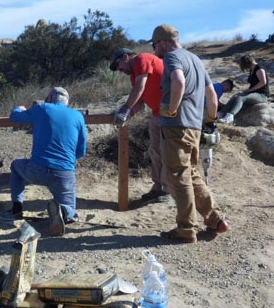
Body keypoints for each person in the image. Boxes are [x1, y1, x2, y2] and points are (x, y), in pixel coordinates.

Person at [150, 23, 229, 243]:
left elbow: (178, 81)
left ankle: (186, 229)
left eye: (155, 45)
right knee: (191, 172)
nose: (154, 50)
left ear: (164, 43)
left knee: (178, 175)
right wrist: (210, 118)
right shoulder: (195, 60)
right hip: (194, 126)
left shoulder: (172, 57)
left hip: (176, 126)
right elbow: (212, 94)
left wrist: (173, 108)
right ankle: (215, 219)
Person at [0, 87, 87, 236]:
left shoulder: (41, 108)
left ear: (50, 99)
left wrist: (18, 108)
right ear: (67, 103)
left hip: (36, 170)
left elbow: (15, 117)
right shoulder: (78, 116)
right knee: (71, 208)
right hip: (63, 174)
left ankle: (16, 209)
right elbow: (81, 151)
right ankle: (64, 213)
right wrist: (66, 163)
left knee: (15, 166)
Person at [109, 48, 170, 203]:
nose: (120, 71)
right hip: (157, 113)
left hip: (170, 113)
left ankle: (168, 190)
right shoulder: (134, 74)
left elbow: (140, 87)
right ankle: (158, 187)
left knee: (166, 150)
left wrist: (125, 108)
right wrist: (129, 113)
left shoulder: (142, 59)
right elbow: (141, 99)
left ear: (126, 56)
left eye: (119, 66)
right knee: (155, 150)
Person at [218, 54, 270, 124]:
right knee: (235, 96)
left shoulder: (259, 69)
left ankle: (230, 116)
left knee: (240, 98)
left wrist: (249, 90)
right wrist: (248, 91)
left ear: (247, 63)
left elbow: (263, 82)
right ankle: (221, 113)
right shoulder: (252, 70)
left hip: (262, 95)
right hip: (254, 93)